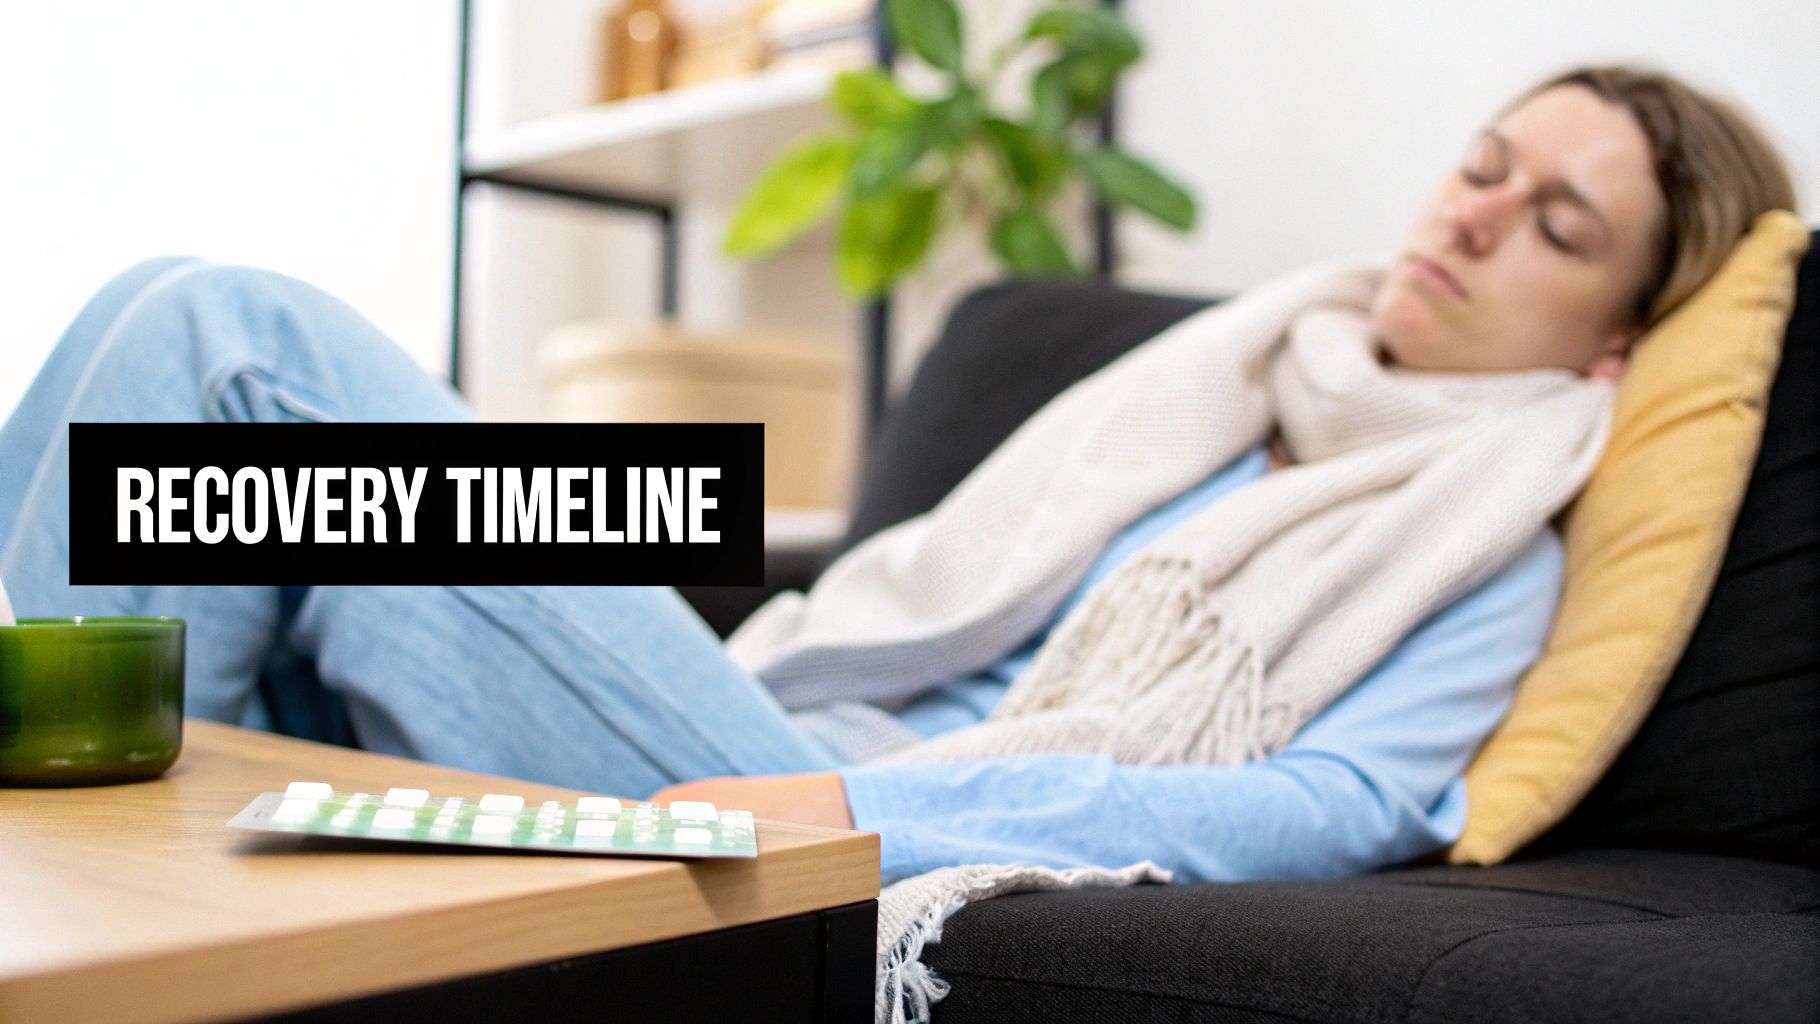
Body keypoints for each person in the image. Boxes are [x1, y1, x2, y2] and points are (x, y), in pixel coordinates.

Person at [0, 66, 1796, 894]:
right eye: (1483, 165)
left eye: (1556, 222)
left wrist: (866, 824)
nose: (1475, 211)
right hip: (760, 693)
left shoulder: (1486, 546)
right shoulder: (1237, 368)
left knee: (227, 342)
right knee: (180, 371)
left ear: (1614, 345)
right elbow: (907, 591)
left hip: (805, 793)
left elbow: (1335, 810)